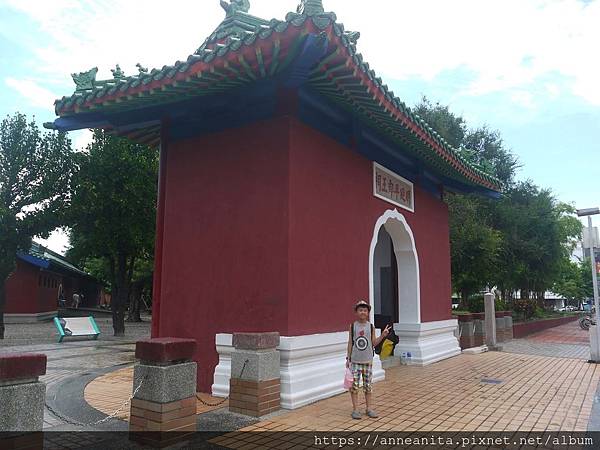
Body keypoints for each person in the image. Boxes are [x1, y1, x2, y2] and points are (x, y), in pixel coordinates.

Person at [346, 300, 391, 420]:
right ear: (356, 312)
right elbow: (351, 343)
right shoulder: (352, 326)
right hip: (355, 361)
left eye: (365, 310)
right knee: (354, 386)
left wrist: (383, 335)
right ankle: (355, 409)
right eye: (360, 310)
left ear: (368, 313)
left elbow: (374, 343)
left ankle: (369, 408)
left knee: (368, 386)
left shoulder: (371, 326)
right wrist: (348, 358)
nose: (363, 312)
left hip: (367, 362)